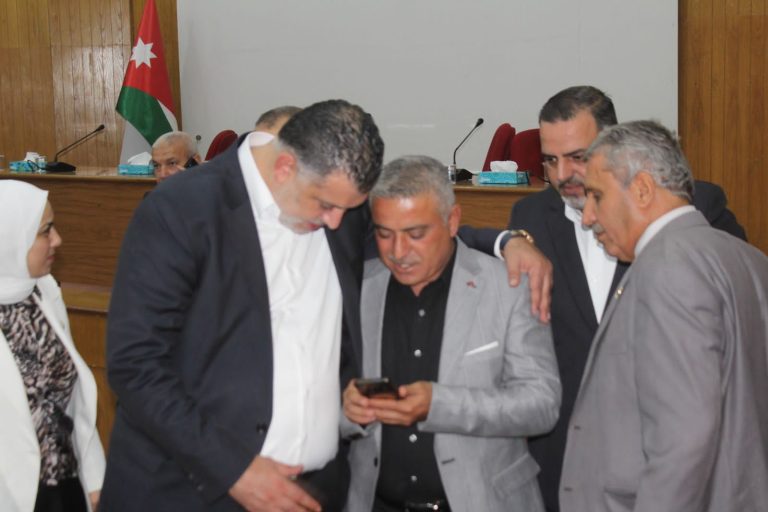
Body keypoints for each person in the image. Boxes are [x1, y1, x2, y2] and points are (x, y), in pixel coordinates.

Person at [101, 99, 551, 512]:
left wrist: (504, 240)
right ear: (285, 167)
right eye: (326, 205)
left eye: (349, 209)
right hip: (196, 491)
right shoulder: (180, 210)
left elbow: (422, 231)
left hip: (316, 493)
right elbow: (135, 364)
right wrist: (233, 469)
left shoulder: (335, 204)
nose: (337, 222)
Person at [505, 85, 747, 512]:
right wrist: (505, 241)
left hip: (667, 458)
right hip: (564, 461)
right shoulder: (528, 219)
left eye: (577, 157)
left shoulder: (695, 210)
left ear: (611, 145)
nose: (562, 175)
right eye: (550, 160)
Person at [560, 119, 768, 512]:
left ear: (641, 189)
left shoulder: (668, 266)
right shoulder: (749, 259)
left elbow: (684, 435)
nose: (587, 217)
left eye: (597, 196)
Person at [342, 156, 561, 512]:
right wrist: (346, 410)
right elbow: (318, 400)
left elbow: (541, 405)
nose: (398, 252)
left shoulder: (508, 288)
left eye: (416, 234)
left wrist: (439, 405)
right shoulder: (358, 289)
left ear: (452, 221)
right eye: (384, 234)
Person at [0, 180, 105, 512]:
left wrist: (95, 480)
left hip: (66, 485)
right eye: (45, 231)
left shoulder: (44, 291)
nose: (57, 239)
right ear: (10, 238)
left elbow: (72, 402)